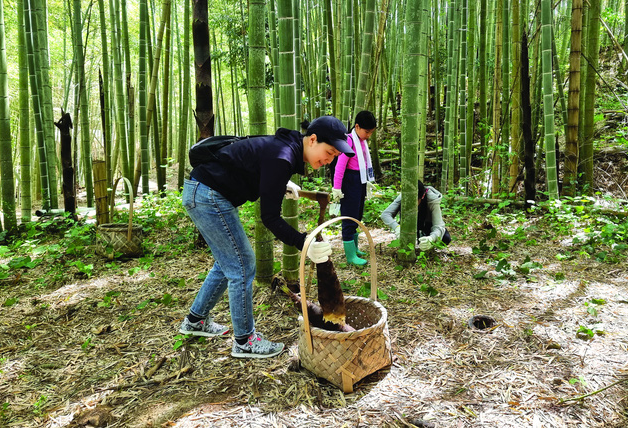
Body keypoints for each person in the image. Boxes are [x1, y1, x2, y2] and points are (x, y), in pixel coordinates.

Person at [179, 116, 355, 359]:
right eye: (329, 152)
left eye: (335, 156)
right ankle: (244, 341)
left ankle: (195, 321)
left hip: (201, 191)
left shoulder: (288, 148)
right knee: (243, 265)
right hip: (208, 196)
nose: (329, 160)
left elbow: (258, 162)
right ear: (313, 140)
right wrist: (304, 242)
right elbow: (270, 217)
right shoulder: (283, 156)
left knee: (227, 262)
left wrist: (282, 182)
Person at [332, 110, 377, 266]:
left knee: (357, 216)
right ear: (357, 127)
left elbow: (363, 163)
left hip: (360, 181)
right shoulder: (349, 141)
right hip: (349, 181)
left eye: (371, 132)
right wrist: (336, 188)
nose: (369, 135)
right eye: (367, 131)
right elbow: (340, 166)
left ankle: (355, 249)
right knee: (349, 217)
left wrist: (366, 181)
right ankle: (350, 256)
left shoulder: (362, 142)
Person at [381, 180, 451, 250]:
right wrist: (397, 228)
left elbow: (439, 225)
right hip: (409, 225)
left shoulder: (432, 199)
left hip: (427, 225)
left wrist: (431, 238)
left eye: (414, 201)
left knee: (446, 238)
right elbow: (386, 214)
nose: (410, 204)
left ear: (422, 196)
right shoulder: (404, 195)